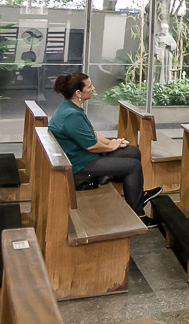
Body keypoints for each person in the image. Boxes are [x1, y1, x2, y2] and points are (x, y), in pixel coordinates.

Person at [48, 72, 160, 222]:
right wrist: (112, 147)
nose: (93, 88)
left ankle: (135, 194)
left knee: (132, 151)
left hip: (81, 156)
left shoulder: (70, 107)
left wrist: (112, 142)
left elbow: (90, 134)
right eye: (89, 86)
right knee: (133, 166)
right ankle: (138, 213)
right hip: (78, 165)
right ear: (78, 93)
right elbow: (92, 147)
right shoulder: (71, 115)